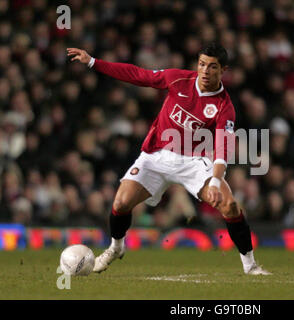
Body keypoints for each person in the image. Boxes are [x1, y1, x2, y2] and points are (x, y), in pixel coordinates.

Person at [67, 43, 271, 275]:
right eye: (202, 64)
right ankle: (115, 248)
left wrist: (215, 180)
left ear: (223, 70)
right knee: (121, 203)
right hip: (157, 155)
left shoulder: (224, 106)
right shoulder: (177, 79)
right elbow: (138, 75)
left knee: (230, 205)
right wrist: (94, 62)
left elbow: (224, 145)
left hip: (194, 162)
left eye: (212, 67)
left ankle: (250, 265)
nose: (205, 71)